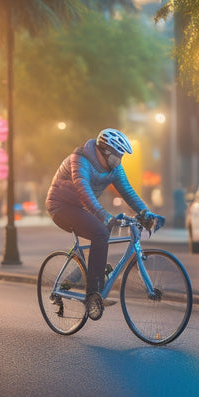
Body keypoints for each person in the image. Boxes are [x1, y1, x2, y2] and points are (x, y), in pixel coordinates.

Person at [46, 128, 164, 321]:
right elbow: (83, 190)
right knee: (101, 232)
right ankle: (92, 295)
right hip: (60, 207)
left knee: (101, 236)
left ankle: (81, 276)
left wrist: (146, 212)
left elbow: (128, 191)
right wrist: (104, 215)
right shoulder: (80, 159)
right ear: (108, 153)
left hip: (79, 208)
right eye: (119, 156)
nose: (121, 161)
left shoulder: (114, 168)